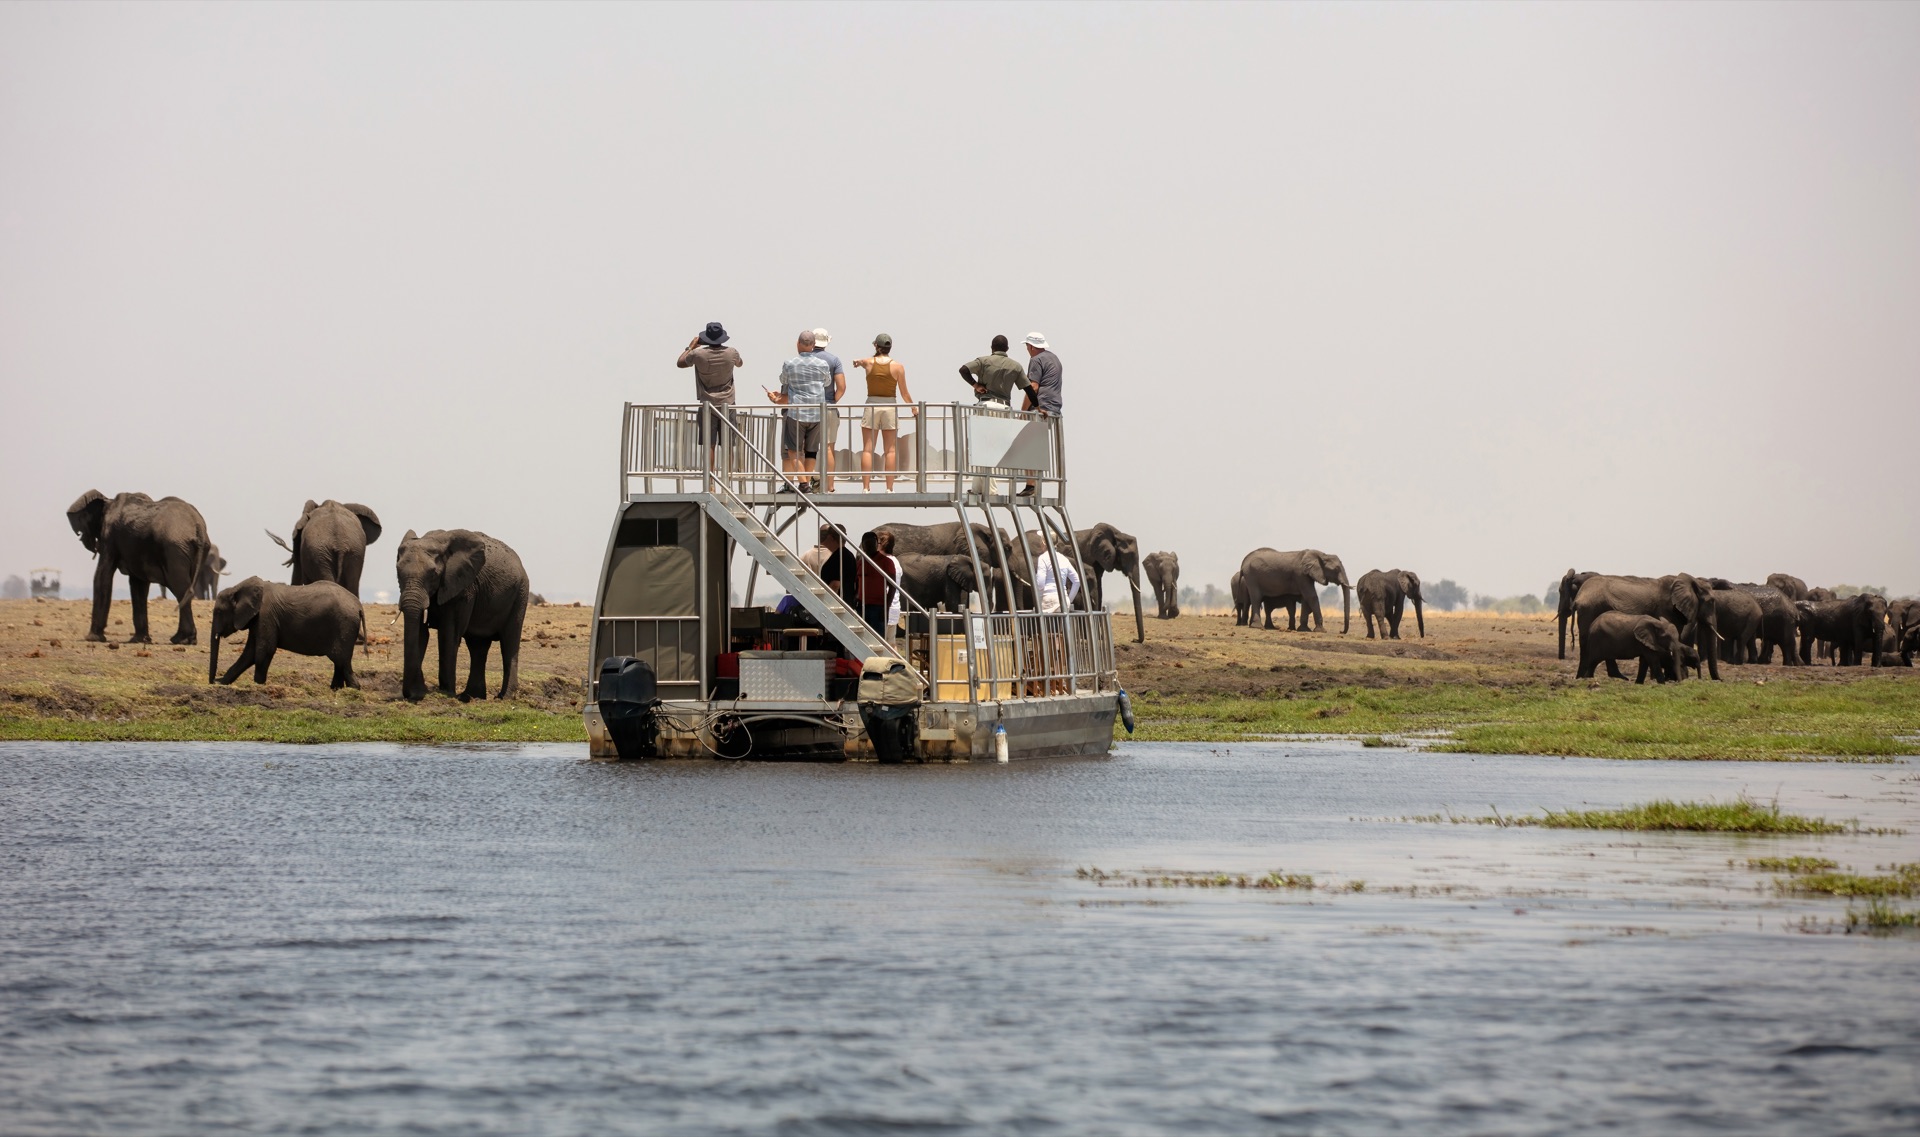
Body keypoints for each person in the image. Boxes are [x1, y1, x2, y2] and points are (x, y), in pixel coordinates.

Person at [768, 330, 832, 491]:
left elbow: (783, 380)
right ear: (813, 346)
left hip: (796, 413)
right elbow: (827, 382)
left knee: (793, 450)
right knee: (811, 451)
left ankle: (803, 484)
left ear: (798, 344)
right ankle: (807, 482)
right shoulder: (822, 364)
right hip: (817, 412)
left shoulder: (790, 363)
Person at [852, 333, 916, 489]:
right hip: (890, 407)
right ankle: (889, 488)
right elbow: (904, 393)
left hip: (872, 405)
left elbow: (859, 361)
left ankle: (866, 488)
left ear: (876, 346)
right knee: (890, 451)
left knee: (867, 449)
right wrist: (914, 408)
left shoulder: (868, 363)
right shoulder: (898, 367)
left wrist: (857, 362)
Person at [677, 322, 742, 463]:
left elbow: (680, 363)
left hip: (707, 404)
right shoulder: (732, 352)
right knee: (728, 445)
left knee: (709, 445)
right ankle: (727, 479)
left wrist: (691, 347)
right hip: (728, 403)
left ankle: (710, 482)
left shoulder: (697, 354)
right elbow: (740, 363)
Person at [1018, 332, 1063, 495]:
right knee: (1034, 444)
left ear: (1031, 346)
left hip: (1041, 406)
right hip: (1054, 407)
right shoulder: (1054, 358)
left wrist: (1023, 411)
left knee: (1025, 443)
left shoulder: (1036, 360)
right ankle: (1034, 484)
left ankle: (1031, 485)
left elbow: (1033, 387)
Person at [811, 328, 847, 491]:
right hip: (828, 407)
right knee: (828, 448)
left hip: (808, 407)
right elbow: (842, 386)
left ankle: (807, 482)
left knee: (807, 448)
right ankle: (830, 486)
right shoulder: (834, 360)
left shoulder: (805, 359)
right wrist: (832, 399)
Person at [958, 335, 1032, 407]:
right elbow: (1029, 390)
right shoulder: (1016, 366)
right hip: (1004, 407)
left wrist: (976, 386)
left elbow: (963, 370)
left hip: (985, 405)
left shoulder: (983, 361)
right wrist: (1038, 408)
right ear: (1007, 349)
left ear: (991, 347)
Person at [852, 530, 899, 633]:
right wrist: (855, 598)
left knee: (877, 641)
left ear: (877, 544)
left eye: (871, 543)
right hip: (862, 607)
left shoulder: (887, 562)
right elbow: (856, 583)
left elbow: (892, 586)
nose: (868, 546)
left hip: (878, 608)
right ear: (863, 545)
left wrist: (886, 607)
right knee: (862, 638)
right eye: (866, 543)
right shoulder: (860, 563)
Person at [814, 525, 860, 607]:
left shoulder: (840, 556)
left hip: (837, 603)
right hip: (845, 601)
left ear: (831, 538)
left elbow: (835, 584)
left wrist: (826, 602)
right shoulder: (847, 555)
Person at [1034, 543, 1080, 614]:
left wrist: (1039, 599)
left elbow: (1040, 584)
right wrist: (1069, 600)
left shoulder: (1043, 558)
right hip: (1064, 599)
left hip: (1048, 599)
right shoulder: (1064, 559)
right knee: (1063, 625)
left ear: (1043, 543)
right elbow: (1077, 581)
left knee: (1047, 625)